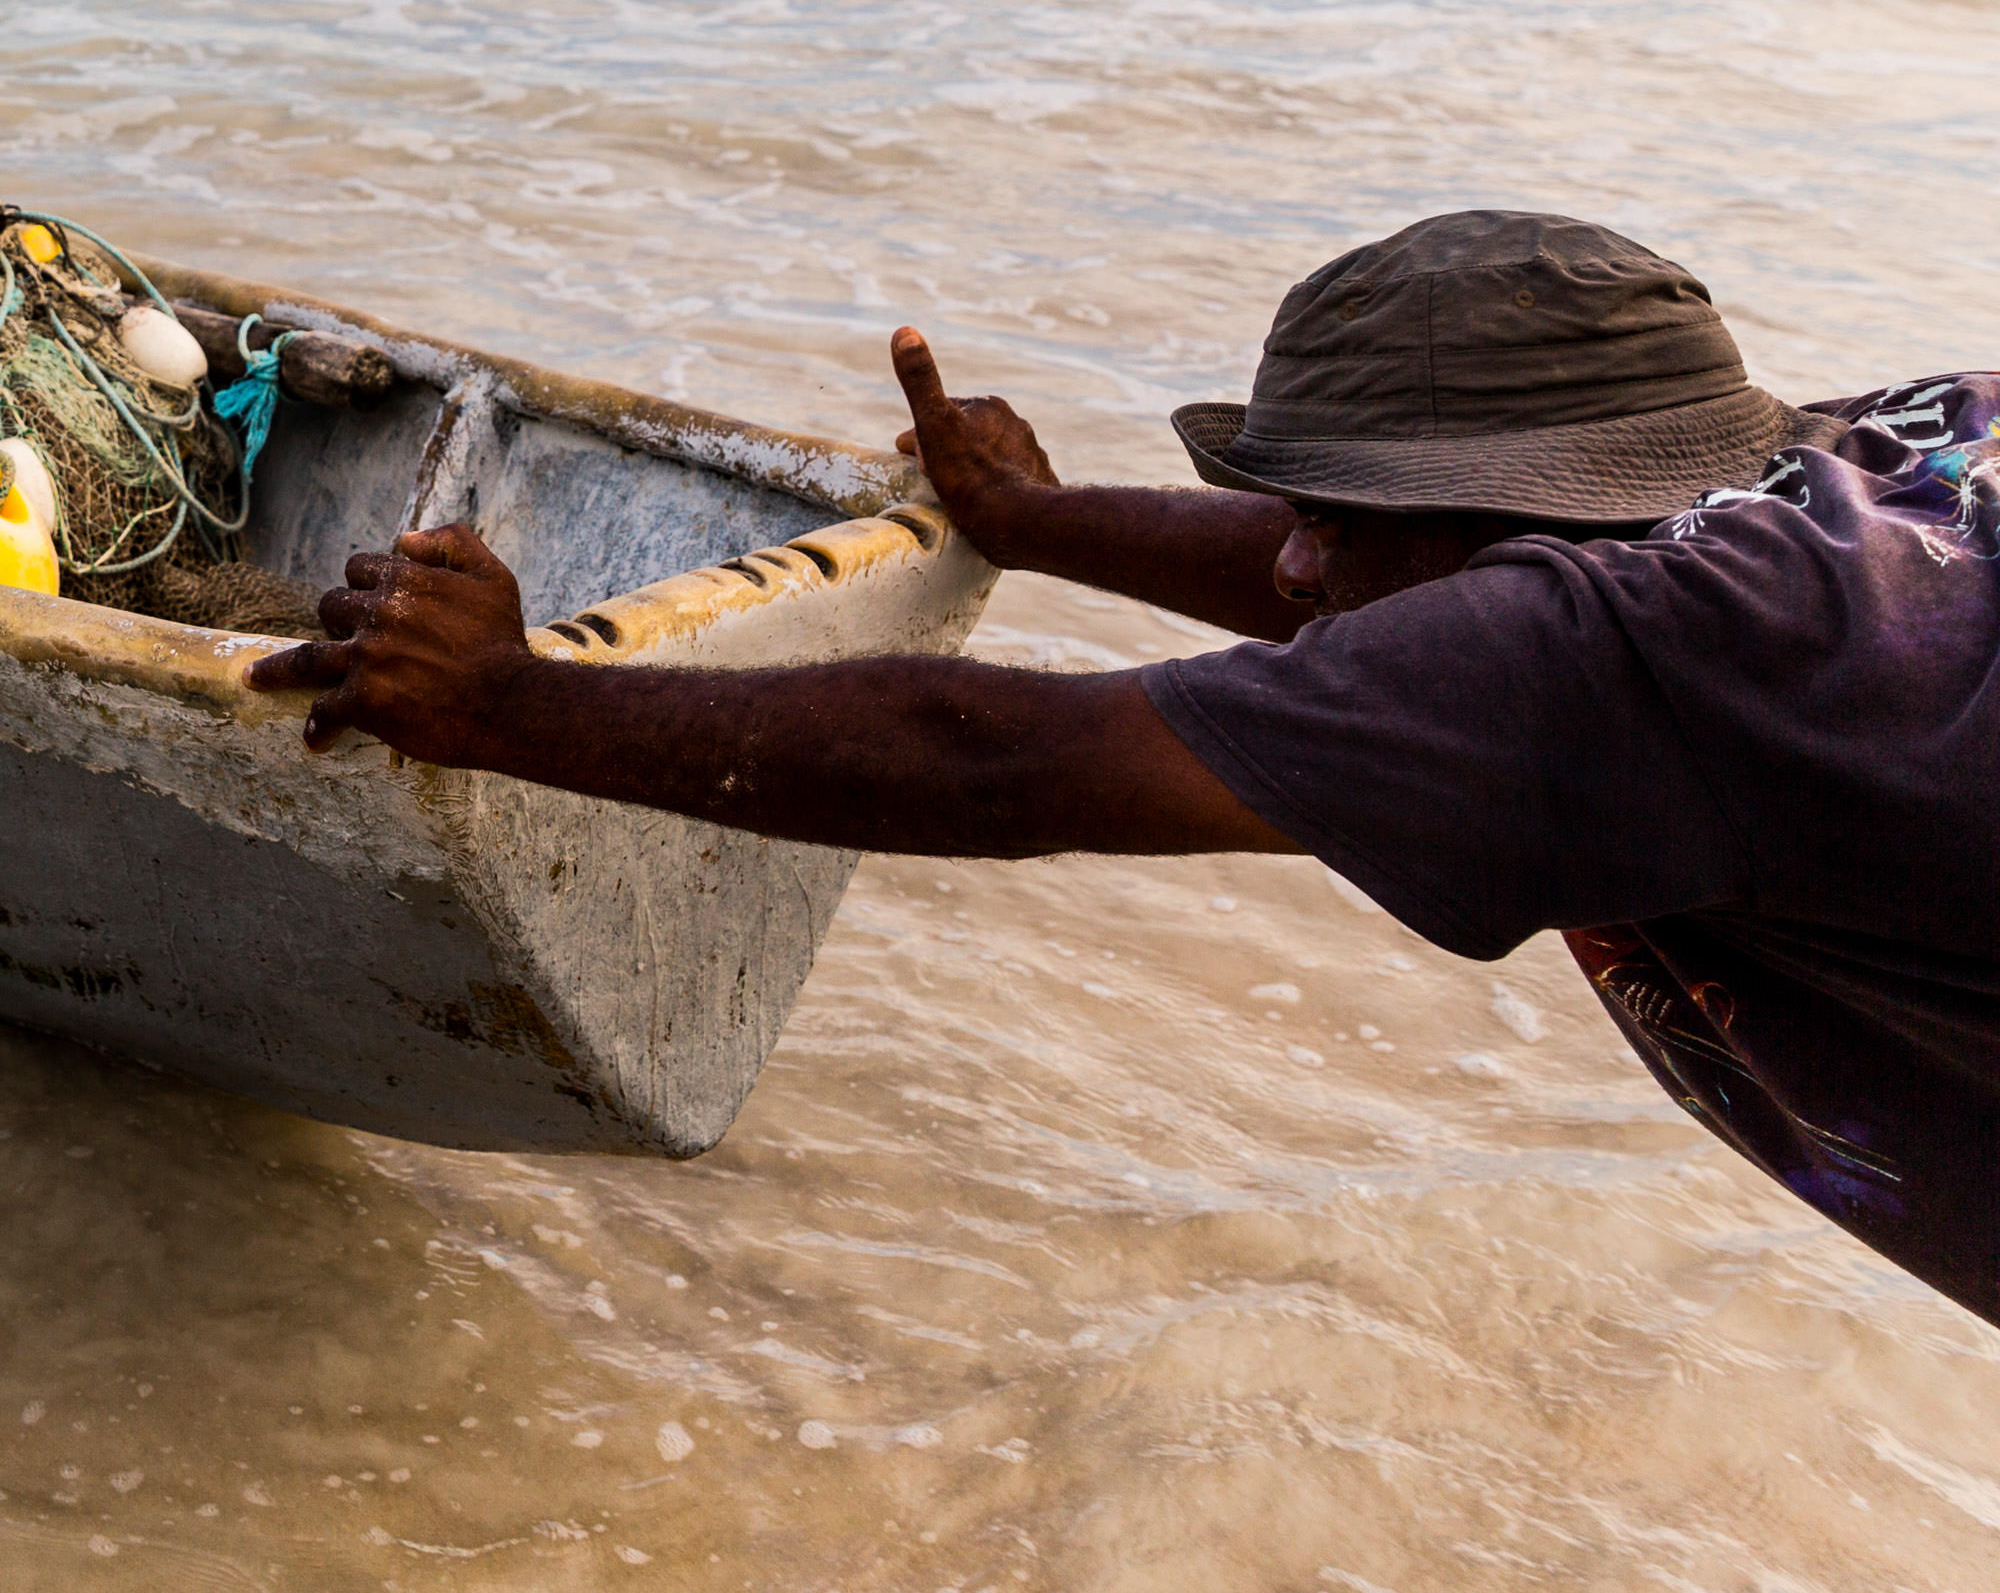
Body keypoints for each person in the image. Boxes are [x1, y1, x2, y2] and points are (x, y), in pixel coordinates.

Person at [254, 210, 2000, 1329]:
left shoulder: (1615, 653)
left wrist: (506, 708)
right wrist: (1036, 522)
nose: (1295, 563)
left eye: (1332, 519)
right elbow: (1450, 610)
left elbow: (997, 761)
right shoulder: (1856, 468)